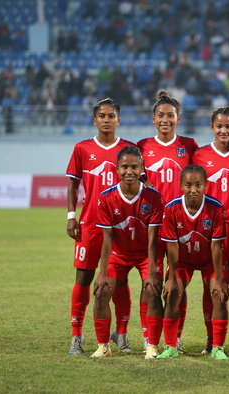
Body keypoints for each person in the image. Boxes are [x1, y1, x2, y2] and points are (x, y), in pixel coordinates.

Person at [66, 98, 134, 355]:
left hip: (119, 227)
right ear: (94, 120)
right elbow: (73, 185)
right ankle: (77, 336)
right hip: (90, 224)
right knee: (83, 278)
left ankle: (122, 334)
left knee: (120, 280)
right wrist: (71, 215)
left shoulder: (129, 149)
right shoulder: (82, 149)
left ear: (119, 120)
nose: (107, 119)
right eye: (102, 115)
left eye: (112, 115)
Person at [137, 90, 198, 353]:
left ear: (178, 118)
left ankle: (177, 338)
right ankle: (148, 340)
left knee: (178, 285)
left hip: (180, 228)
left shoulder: (190, 145)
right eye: (160, 115)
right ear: (153, 119)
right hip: (149, 226)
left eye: (170, 115)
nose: (165, 119)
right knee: (150, 284)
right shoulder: (142, 146)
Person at [91, 145, 165, 358]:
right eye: (124, 167)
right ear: (117, 168)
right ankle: (104, 346)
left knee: (152, 291)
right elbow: (107, 239)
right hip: (119, 254)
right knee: (101, 292)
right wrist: (102, 272)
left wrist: (152, 271)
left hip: (145, 254)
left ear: (142, 168)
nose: (129, 171)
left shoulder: (153, 197)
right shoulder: (106, 197)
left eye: (134, 167)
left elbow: (153, 238)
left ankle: (151, 345)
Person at [191, 107, 229, 355]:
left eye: (228, 126)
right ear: (211, 127)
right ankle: (211, 340)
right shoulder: (199, 155)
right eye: (219, 126)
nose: (223, 130)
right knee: (213, 286)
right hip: (210, 229)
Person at [157, 165, 229, 360]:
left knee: (219, 295)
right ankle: (171, 347)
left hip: (209, 260)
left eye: (198, 185)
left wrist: (219, 279)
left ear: (205, 185)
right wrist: (172, 278)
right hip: (183, 262)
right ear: (181, 186)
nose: (193, 189)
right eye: (188, 185)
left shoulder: (215, 208)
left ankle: (218, 347)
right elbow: (171, 247)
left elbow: (216, 246)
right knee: (172, 293)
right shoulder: (171, 209)